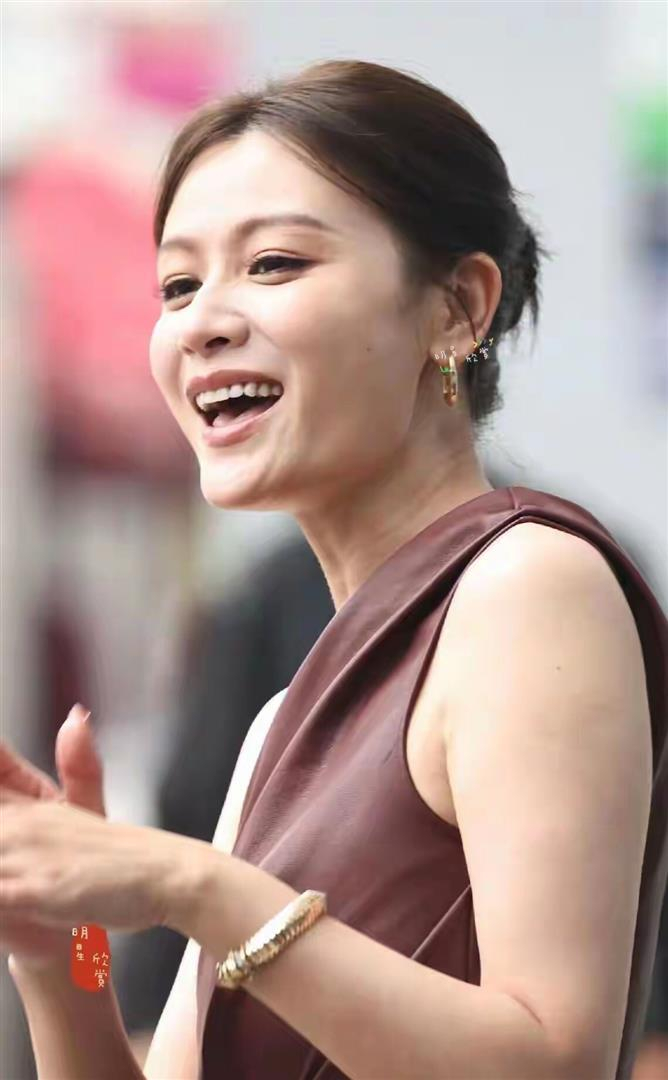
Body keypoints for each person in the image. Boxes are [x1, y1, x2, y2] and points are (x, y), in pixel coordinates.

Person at [2, 58, 667, 1080]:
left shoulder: (528, 586)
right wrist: (65, 955)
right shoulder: (279, 725)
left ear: (457, 309)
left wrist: (192, 886)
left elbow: (552, 1062)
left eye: (272, 264)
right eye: (178, 284)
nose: (203, 321)